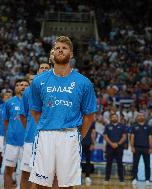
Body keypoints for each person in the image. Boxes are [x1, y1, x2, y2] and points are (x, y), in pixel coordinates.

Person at [29, 36, 97, 188]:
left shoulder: (84, 82)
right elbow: (35, 111)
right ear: (53, 53)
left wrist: (80, 135)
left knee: (66, 184)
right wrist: (48, 124)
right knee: (39, 183)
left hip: (70, 135)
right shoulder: (39, 81)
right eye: (57, 47)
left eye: (64, 48)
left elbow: (89, 115)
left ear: (71, 54)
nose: (60, 49)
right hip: (45, 134)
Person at [20, 62, 51, 189]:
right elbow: (23, 115)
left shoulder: (55, 90)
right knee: (26, 173)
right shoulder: (28, 92)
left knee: (45, 175)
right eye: (41, 68)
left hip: (48, 138)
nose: (44, 70)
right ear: (38, 72)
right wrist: (29, 129)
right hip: (30, 138)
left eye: (46, 68)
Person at [3, 79, 29, 189]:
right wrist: (9, 134)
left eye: (26, 85)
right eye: (20, 85)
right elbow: (5, 121)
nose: (23, 87)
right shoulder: (9, 103)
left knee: (26, 172)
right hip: (12, 142)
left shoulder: (33, 103)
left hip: (27, 142)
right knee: (9, 169)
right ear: (16, 88)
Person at [103, 113, 127, 184]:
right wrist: (111, 144)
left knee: (120, 163)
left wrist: (118, 144)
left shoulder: (122, 126)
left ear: (118, 118)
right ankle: (107, 179)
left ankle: (121, 180)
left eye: (115, 117)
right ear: (110, 119)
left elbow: (124, 136)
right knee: (108, 164)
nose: (114, 118)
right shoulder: (107, 126)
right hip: (109, 147)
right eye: (112, 117)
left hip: (119, 147)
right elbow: (105, 136)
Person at [130, 113, 152, 186]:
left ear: (144, 117)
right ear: (137, 118)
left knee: (147, 164)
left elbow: (150, 137)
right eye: (139, 116)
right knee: (135, 164)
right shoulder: (134, 126)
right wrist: (132, 147)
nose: (141, 117)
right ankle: (134, 178)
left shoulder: (148, 127)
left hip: (146, 148)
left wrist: (150, 147)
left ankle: (147, 179)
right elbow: (132, 137)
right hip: (136, 147)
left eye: (142, 115)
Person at [81, 120, 96, 186]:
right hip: (79, 142)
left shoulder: (91, 121)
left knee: (88, 161)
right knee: (77, 161)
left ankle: (87, 176)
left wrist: (93, 143)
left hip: (88, 143)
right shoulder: (77, 119)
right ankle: (77, 176)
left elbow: (93, 132)